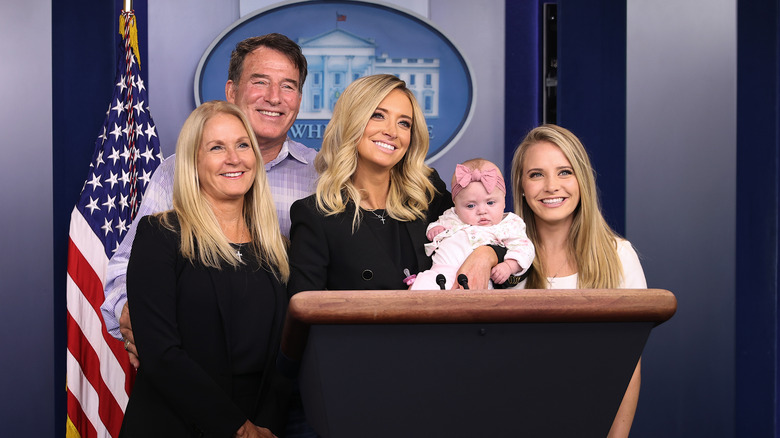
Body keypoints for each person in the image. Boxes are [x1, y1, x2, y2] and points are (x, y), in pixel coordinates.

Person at [101, 33, 317, 365]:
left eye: (288, 86)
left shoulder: (322, 178)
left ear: (300, 98)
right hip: (199, 369)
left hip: (295, 374)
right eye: (260, 82)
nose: (275, 97)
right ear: (231, 91)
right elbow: (125, 270)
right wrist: (143, 326)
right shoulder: (177, 172)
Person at [120, 101, 290, 437]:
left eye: (243, 144)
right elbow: (161, 355)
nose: (234, 158)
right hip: (175, 424)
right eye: (216, 147)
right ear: (193, 163)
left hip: (260, 424)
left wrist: (266, 426)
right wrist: (239, 429)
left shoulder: (278, 248)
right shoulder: (161, 236)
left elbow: (285, 352)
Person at [288, 74, 501, 296]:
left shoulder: (428, 194)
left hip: (442, 330)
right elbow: (305, 311)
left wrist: (487, 254)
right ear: (351, 121)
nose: (392, 131)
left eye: (403, 123)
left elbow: (505, 237)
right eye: (378, 116)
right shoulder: (315, 215)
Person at [509, 124, 646, 438]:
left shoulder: (619, 256)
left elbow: (629, 366)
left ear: (582, 180)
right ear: (521, 185)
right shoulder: (502, 262)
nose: (551, 186)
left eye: (564, 172)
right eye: (536, 174)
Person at [410, 158, 534, 290]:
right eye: (470, 205)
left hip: (477, 280)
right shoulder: (453, 217)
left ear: (503, 201)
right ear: (456, 205)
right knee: (416, 295)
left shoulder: (509, 224)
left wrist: (509, 266)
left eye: (490, 203)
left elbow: (525, 249)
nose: (482, 211)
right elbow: (437, 225)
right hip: (439, 274)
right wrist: (435, 229)